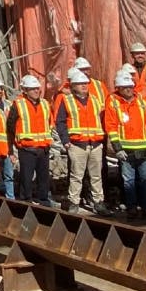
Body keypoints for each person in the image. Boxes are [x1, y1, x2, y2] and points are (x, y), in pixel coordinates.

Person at [104, 71, 146, 219]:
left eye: (130, 86)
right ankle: (132, 208)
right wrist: (118, 149)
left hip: (144, 149)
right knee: (128, 182)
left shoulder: (142, 102)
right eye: (125, 87)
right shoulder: (114, 103)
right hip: (126, 151)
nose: (129, 89)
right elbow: (111, 127)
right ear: (118, 88)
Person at [55, 68, 111, 216]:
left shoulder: (95, 100)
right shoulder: (67, 101)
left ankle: (99, 202)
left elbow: (102, 119)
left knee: (96, 176)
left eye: (85, 83)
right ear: (73, 86)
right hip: (77, 144)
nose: (84, 86)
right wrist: (65, 140)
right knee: (76, 176)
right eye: (81, 84)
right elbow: (60, 122)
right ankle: (74, 202)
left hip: (95, 143)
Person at [6, 74, 55, 207]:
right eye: (32, 89)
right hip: (27, 148)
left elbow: (50, 124)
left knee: (43, 178)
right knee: (26, 178)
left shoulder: (45, 104)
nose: (36, 91)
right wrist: (11, 148)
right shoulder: (18, 105)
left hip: (43, 148)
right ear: (25, 90)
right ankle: (26, 201)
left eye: (37, 88)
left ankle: (43, 200)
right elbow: (10, 127)